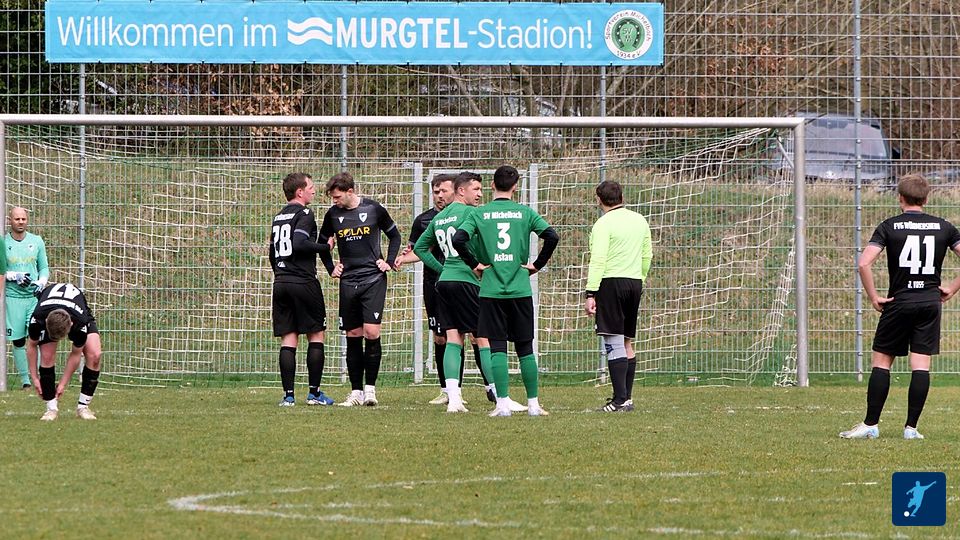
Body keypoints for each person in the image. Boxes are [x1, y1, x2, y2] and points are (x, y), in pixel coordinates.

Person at [841, 174, 960, 440]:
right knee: (921, 365)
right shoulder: (944, 226)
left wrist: (874, 297)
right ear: (926, 199)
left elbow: (864, 263)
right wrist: (952, 288)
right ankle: (911, 429)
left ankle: (871, 425)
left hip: (899, 302)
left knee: (882, 362)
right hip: (929, 303)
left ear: (900, 198)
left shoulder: (889, 226)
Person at [452, 165, 559, 417]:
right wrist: (536, 265)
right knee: (525, 347)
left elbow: (458, 239)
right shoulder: (525, 212)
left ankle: (502, 405)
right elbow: (552, 236)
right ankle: (533, 404)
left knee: (497, 347)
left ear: (492, 185)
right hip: (520, 288)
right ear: (516, 186)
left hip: (491, 289)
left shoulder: (480, 213)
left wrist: (475, 265)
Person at [411, 172, 524, 413]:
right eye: (476, 189)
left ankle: (454, 399)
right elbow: (485, 245)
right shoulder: (472, 214)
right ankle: (500, 397)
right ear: (461, 190)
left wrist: (443, 269)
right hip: (467, 281)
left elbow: (420, 248)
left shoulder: (440, 216)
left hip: (445, 282)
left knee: (453, 339)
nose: (480, 194)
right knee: (483, 338)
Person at [319, 172, 402, 407]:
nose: (334, 201)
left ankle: (370, 390)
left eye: (337, 196)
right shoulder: (333, 215)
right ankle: (355, 392)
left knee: (372, 332)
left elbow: (394, 236)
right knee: (352, 334)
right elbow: (322, 242)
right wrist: (331, 267)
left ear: (350, 191)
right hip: (348, 281)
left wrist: (389, 261)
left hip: (373, 279)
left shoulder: (374, 209)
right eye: (332, 197)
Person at [584, 180, 652, 412]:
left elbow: (598, 260)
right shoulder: (640, 220)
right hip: (634, 282)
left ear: (599, 200)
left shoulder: (603, 224)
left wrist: (591, 292)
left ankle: (619, 400)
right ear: (622, 197)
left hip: (611, 283)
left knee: (613, 341)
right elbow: (647, 255)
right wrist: (640, 279)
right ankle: (626, 398)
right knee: (626, 341)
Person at [395, 174, 463, 405]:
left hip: (463, 282)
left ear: (455, 191)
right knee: (440, 336)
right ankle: (447, 390)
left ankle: (488, 387)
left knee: (471, 335)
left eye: (444, 191)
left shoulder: (465, 215)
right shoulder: (423, 221)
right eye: (436, 192)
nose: (439, 196)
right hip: (434, 284)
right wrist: (401, 259)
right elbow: (417, 250)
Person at [269, 172, 336, 407]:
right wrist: (325, 246)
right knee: (316, 334)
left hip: (281, 282)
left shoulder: (279, 216)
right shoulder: (304, 213)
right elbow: (299, 243)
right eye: (310, 187)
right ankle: (314, 393)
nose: (314, 190)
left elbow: (272, 253)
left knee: (289, 338)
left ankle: (288, 396)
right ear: (300, 192)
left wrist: (282, 275)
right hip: (303, 282)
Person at [26, 282, 100, 421]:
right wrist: (35, 378)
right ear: (46, 322)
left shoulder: (80, 322)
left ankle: (83, 407)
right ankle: (51, 408)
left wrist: (62, 384)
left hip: (77, 309)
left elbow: (76, 353)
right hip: (50, 308)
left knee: (95, 355)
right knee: (47, 355)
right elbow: (31, 346)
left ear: (71, 325)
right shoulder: (38, 317)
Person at [5, 207, 50, 391]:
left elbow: (44, 267)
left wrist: (42, 281)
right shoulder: (3, 242)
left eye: (23, 218)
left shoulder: (36, 241)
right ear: (10, 220)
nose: (21, 222)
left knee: (36, 337)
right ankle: (26, 382)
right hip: (12, 298)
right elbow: (0, 270)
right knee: (18, 340)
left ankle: (38, 377)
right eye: (17, 219)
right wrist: (13, 276)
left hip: (33, 298)